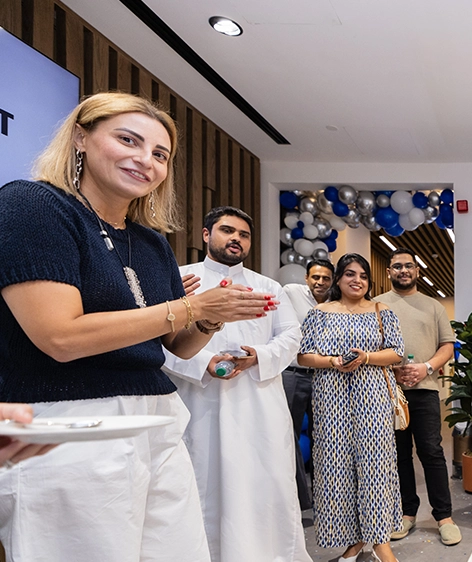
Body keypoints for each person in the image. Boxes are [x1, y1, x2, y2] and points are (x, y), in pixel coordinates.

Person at [0, 92, 275, 561]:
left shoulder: (150, 243)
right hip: (69, 416)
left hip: (158, 418)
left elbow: (177, 347)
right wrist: (189, 308)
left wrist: (210, 317)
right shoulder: (33, 206)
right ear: (81, 137)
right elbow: (60, 338)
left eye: (160, 154)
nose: (144, 160)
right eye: (128, 140)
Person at [162, 206, 309, 562]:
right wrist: (202, 362)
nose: (236, 239)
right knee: (202, 484)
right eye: (227, 231)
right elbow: (156, 341)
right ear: (206, 235)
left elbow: (292, 337)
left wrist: (257, 356)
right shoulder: (181, 280)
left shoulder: (267, 286)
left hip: (257, 404)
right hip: (198, 403)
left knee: (263, 484)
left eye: (243, 235)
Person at [298, 253, 405, 562]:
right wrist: (333, 361)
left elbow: (397, 353)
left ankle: (381, 542)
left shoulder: (381, 311)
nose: (356, 280)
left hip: (372, 397)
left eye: (362, 275)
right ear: (338, 279)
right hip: (331, 398)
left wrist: (366, 357)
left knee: (376, 467)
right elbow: (304, 356)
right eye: (349, 274)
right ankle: (355, 542)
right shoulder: (320, 312)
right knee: (336, 468)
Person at [373, 248, 462, 546]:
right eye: (396, 266)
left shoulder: (433, 306)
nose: (402, 271)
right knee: (398, 456)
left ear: (417, 270)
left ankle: (444, 517)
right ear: (389, 272)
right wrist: (390, 368)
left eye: (408, 266)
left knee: (432, 453)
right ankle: (406, 513)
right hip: (387, 391)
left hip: (425, 390)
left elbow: (447, 346)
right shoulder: (375, 305)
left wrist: (425, 367)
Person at [282, 258, 335, 511]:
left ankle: (324, 497)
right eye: (316, 277)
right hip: (293, 373)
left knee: (324, 437)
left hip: (325, 376)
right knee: (288, 435)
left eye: (325, 278)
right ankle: (295, 499)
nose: (320, 282)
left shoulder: (336, 303)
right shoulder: (291, 293)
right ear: (306, 278)